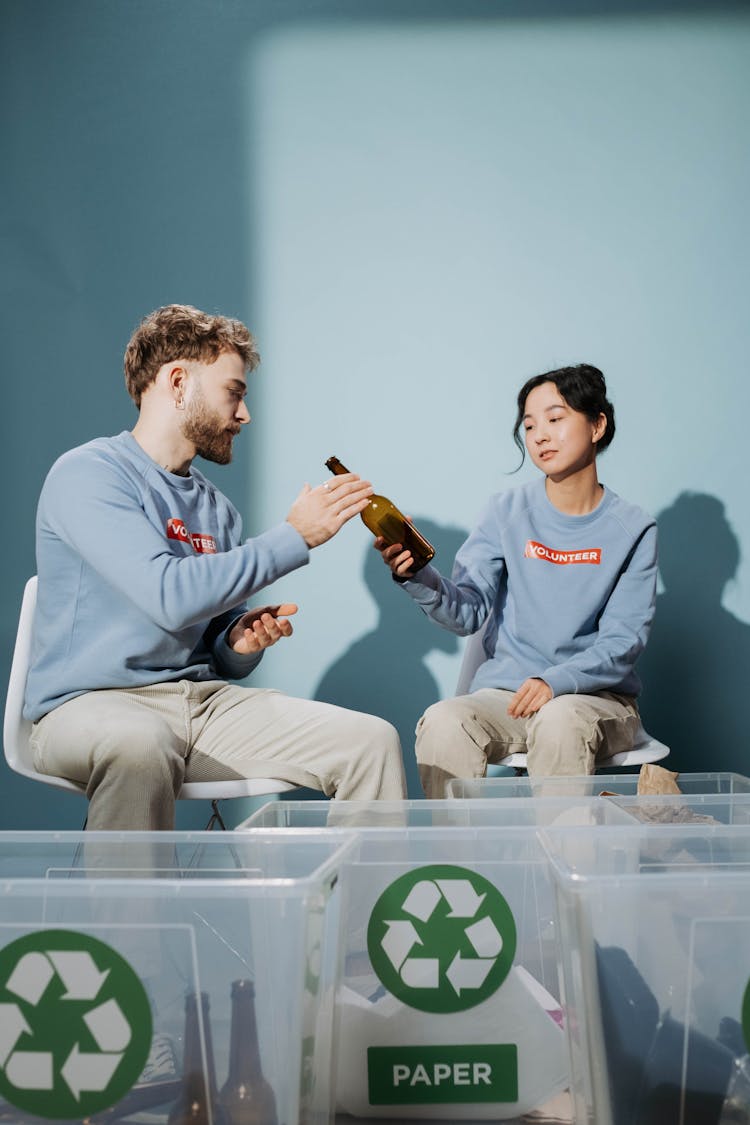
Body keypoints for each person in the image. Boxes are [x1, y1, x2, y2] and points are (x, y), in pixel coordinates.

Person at [25, 304, 407, 829]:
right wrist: (296, 536)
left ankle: (369, 911)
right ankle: (129, 914)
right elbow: (168, 597)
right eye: (235, 391)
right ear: (178, 382)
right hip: (86, 707)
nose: (244, 414)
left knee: (371, 741)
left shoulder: (217, 509)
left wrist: (238, 642)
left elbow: (212, 645)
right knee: (141, 743)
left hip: (203, 707)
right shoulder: (89, 475)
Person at [376, 364, 657, 797]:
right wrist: (417, 575)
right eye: (529, 425)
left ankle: (561, 864)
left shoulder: (633, 528)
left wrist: (555, 682)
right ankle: (457, 865)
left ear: (597, 424)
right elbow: (468, 610)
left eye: (555, 418)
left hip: (596, 700)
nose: (540, 435)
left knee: (559, 721)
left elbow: (622, 643)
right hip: (507, 696)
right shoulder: (505, 513)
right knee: (444, 720)